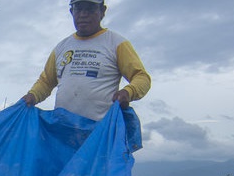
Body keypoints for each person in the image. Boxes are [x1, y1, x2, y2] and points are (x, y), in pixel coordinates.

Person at [22, 0, 150, 122]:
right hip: (62, 132)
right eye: (79, 9)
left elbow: (141, 77)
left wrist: (128, 92)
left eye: (89, 9)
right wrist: (33, 95)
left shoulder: (116, 43)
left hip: (100, 133)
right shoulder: (62, 47)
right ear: (72, 11)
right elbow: (46, 81)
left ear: (102, 11)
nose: (83, 14)